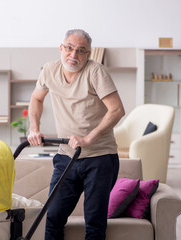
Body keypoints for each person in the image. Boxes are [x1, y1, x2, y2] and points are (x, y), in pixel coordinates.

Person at [27, 29, 125, 240]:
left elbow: (117, 110)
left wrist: (89, 138)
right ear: (61, 48)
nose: (74, 55)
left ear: (88, 55)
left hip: (100, 157)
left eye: (81, 51)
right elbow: (36, 99)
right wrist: (34, 127)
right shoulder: (48, 71)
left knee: (94, 222)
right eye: (69, 48)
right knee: (52, 217)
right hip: (66, 156)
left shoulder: (95, 72)